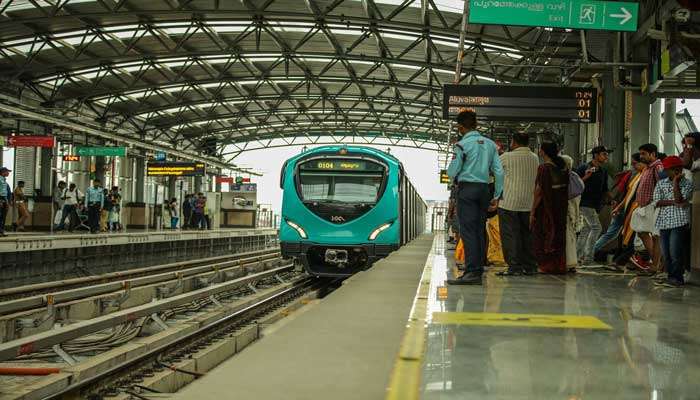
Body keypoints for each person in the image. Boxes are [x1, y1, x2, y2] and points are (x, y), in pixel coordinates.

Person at [446, 110, 504, 285]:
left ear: (461, 127)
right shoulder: (490, 144)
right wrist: (496, 195)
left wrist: (452, 174)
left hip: (468, 190)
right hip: (484, 190)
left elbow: (452, 171)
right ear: (476, 125)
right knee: (479, 230)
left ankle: (472, 272)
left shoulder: (462, 145)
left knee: (468, 231)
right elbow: (499, 171)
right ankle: (477, 269)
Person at [496, 132, 539, 276]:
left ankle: (514, 267)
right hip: (528, 203)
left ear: (513, 142)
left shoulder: (506, 157)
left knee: (510, 235)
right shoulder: (535, 158)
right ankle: (530, 266)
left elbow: (494, 172)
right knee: (526, 235)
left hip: (509, 202)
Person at [652, 156, 693, 287]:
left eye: (668, 169)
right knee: (666, 252)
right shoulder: (661, 183)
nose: (665, 171)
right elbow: (657, 202)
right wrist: (674, 202)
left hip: (679, 222)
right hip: (664, 222)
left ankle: (678, 278)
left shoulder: (687, 184)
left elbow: (680, 199)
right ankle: (670, 277)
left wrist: (676, 182)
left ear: (677, 170)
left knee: (675, 251)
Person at [531, 142, 569, 274]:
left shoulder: (544, 168)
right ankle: (559, 265)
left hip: (546, 207)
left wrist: (532, 210)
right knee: (558, 234)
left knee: (544, 234)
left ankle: (546, 265)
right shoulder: (563, 167)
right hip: (561, 207)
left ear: (543, 152)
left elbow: (539, 191)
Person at [631, 143, 664, 273]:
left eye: (644, 153)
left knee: (655, 236)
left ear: (653, 154)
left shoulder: (658, 167)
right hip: (644, 206)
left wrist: (657, 204)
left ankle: (656, 265)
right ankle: (656, 262)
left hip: (652, 206)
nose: (641, 156)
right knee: (642, 232)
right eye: (640, 154)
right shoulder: (648, 168)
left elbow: (662, 186)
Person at [575, 146, 610, 265]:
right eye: (604, 154)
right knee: (596, 227)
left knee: (586, 229)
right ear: (596, 155)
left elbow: (605, 189)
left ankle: (577, 256)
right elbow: (575, 184)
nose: (606, 157)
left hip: (595, 205)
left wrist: (611, 199)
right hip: (584, 203)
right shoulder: (584, 167)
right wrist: (586, 176)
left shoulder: (603, 171)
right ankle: (588, 257)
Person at [615, 154, 646, 265]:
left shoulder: (644, 175)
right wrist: (619, 206)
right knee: (625, 235)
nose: (633, 166)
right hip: (630, 208)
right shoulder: (637, 175)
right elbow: (629, 193)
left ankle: (621, 261)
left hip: (637, 209)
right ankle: (621, 260)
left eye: (635, 164)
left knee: (632, 236)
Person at [562, 155, 583, 272]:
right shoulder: (575, 177)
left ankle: (568, 262)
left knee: (566, 237)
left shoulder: (563, 178)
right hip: (573, 211)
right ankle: (571, 262)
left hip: (566, 212)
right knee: (571, 237)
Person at [0, 167, 11, 237]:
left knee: (3, 215)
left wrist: (7, 201)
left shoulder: (4, 180)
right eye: (7, 171)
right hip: (1, 198)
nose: (8, 173)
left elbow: (6, 192)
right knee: (0, 215)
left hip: (4, 199)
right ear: (3, 172)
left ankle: (1, 230)